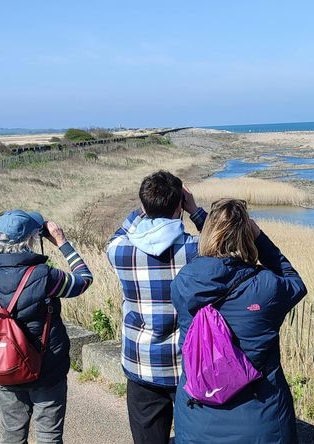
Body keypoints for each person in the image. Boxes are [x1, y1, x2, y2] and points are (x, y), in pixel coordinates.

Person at [171, 198, 308, 444]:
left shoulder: (184, 283)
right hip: (261, 423)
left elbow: (214, 263)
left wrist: (208, 223)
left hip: (196, 421)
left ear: (209, 234)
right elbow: (294, 281)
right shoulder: (266, 287)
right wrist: (260, 238)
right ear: (247, 236)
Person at [106, 171, 208, 444]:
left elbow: (118, 234)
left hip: (142, 364)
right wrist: (195, 211)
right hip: (189, 366)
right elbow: (227, 243)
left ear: (144, 206)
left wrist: (141, 211)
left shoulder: (120, 251)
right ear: (179, 206)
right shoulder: (197, 250)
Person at [0, 209, 94, 444]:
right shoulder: (44, 276)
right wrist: (62, 242)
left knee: (11, 435)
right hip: (46, 368)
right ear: (32, 238)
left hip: (6, 365)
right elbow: (84, 280)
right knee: (48, 437)